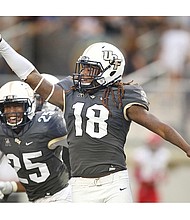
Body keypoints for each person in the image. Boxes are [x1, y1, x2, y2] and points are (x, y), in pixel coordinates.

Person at [0, 35, 190, 203]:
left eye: (90, 69)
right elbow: (30, 76)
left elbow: (160, 127)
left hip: (114, 181)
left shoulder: (123, 96)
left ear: (110, 70)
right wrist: (3, 45)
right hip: (80, 184)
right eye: (84, 68)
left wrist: (187, 148)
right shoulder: (69, 93)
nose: (83, 73)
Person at [0, 80, 71, 202]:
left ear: (30, 105)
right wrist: (10, 186)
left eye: (17, 105)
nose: (12, 112)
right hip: (34, 199)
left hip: (62, 196)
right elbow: (33, 179)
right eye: (7, 107)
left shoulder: (48, 125)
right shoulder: (2, 131)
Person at [132, 133, 171, 202]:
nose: (154, 146)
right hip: (143, 185)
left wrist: (162, 177)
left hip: (154, 185)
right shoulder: (141, 153)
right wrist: (140, 179)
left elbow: (164, 170)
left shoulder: (163, 153)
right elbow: (137, 169)